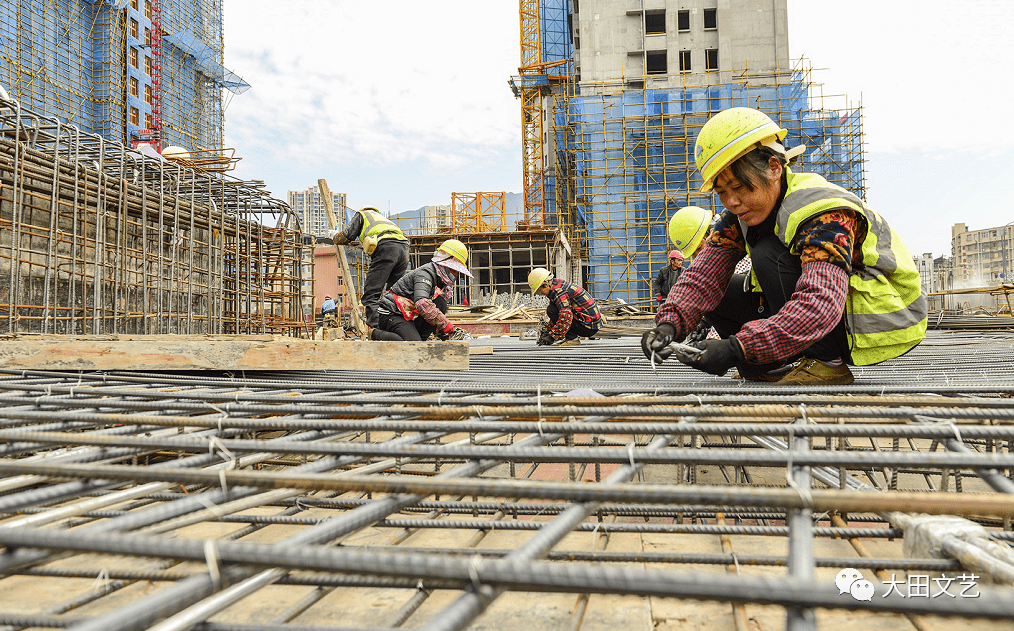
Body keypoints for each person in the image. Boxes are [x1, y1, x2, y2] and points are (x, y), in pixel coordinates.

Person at [641, 107, 927, 385]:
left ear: (774, 168)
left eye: (738, 187)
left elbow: (820, 303)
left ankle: (827, 363)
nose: (730, 202)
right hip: (823, 312)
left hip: (878, 314)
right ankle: (767, 366)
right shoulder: (739, 217)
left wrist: (737, 348)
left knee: (768, 253)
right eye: (722, 192)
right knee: (719, 290)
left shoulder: (822, 211)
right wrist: (669, 325)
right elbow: (703, 276)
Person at [370, 239, 471, 342]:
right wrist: (444, 323)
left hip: (408, 313)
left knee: (440, 303)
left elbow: (434, 307)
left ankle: (420, 339)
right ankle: (376, 334)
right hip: (392, 313)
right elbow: (421, 303)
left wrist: (440, 329)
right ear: (446, 265)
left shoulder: (439, 279)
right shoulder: (426, 273)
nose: (455, 275)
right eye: (455, 270)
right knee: (412, 343)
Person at [328, 206, 410, 328]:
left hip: (386, 248)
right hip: (404, 249)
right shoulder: (384, 220)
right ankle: (396, 328)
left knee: (371, 294)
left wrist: (334, 236)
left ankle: (377, 330)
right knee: (394, 294)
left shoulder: (362, 215)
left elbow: (345, 237)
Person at [528, 268, 602, 345]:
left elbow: (565, 315)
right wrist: (547, 333)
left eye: (540, 290)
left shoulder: (558, 291)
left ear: (546, 284)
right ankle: (570, 337)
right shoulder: (558, 285)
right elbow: (557, 316)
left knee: (551, 310)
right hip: (591, 325)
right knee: (554, 309)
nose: (542, 293)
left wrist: (552, 337)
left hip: (587, 327)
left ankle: (572, 338)